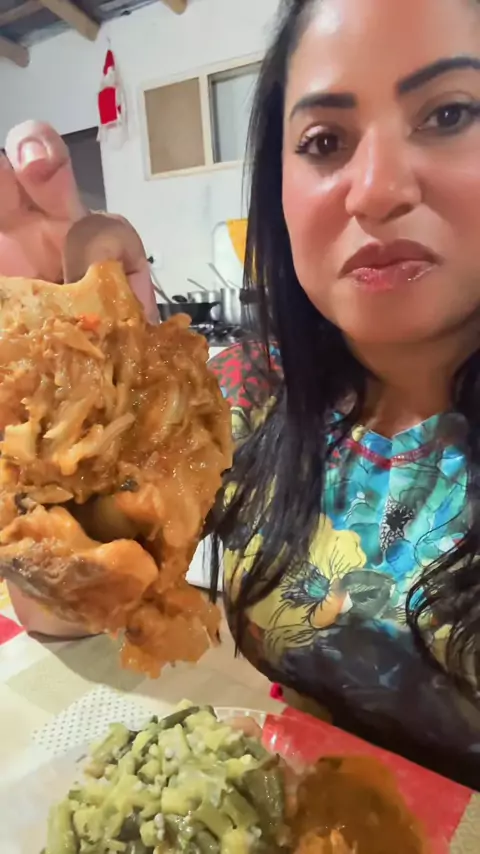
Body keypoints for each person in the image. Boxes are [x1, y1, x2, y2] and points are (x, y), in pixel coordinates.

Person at [1, 0, 480, 789]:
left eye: (449, 114)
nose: (376, 189)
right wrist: (64, 438)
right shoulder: (248, 393)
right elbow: (77, 612)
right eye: (324, 141)